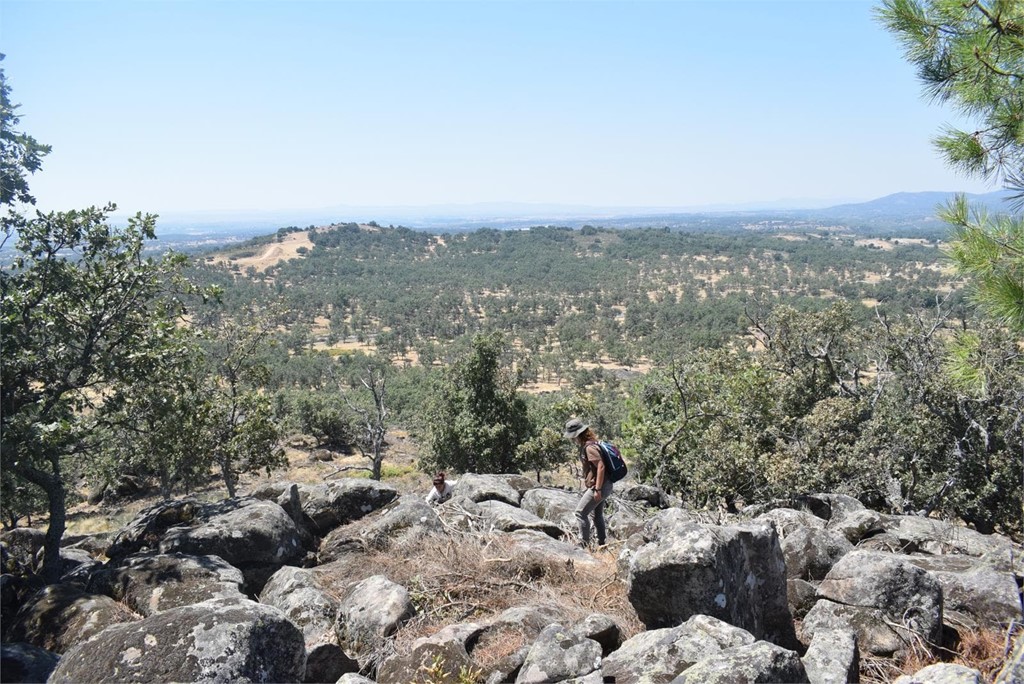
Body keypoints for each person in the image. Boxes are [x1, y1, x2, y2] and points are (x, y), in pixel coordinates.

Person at [564, 418, 612, 549]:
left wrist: (597, 489)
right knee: (597, 515)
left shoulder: (589, 447)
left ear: (578, 434)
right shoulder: (593, 443)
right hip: (605, 485)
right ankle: (602, 544)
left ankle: (583, 545)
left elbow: (601, 466)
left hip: (600, 486)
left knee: (580, 513)